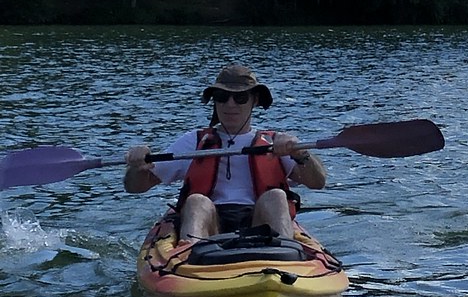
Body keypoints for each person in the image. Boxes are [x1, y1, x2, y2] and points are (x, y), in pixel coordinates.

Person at [123, 63, 327, 240]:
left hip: (260, 220)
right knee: (196, 201)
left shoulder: (275, 141)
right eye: (222, 97)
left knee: (276, 196)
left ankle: (284, 255)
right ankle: (190, 260)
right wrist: (137, 166)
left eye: (239, 98)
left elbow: (318, 182)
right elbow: (135, 187)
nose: (230, 104)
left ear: (254, 100)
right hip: (209, 224)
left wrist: (300, 153)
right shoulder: (194, 141)